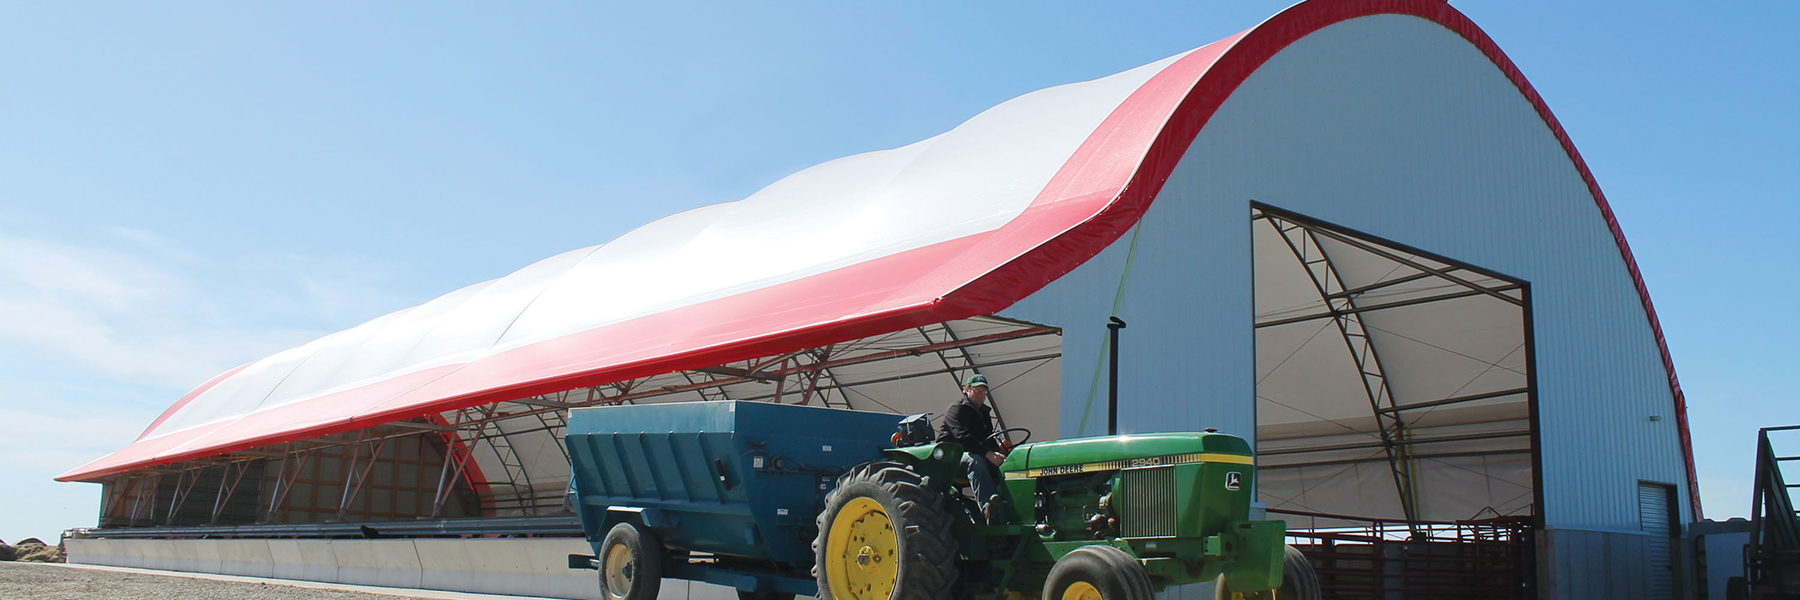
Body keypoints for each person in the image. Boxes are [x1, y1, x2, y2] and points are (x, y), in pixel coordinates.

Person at [938, 374, 1005, 524]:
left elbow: (989, 438)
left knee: (1005, 464)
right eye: (977, 390)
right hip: (950, 457)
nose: (981, 395)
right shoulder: (956, 410)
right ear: (967, 390)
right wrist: (988, 453)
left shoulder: (984, 413)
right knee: (974, 461)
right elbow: (962, 437)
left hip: (977, 452)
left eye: (984, 392)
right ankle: (988, 505)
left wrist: (999, 454)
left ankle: (1008, 505)